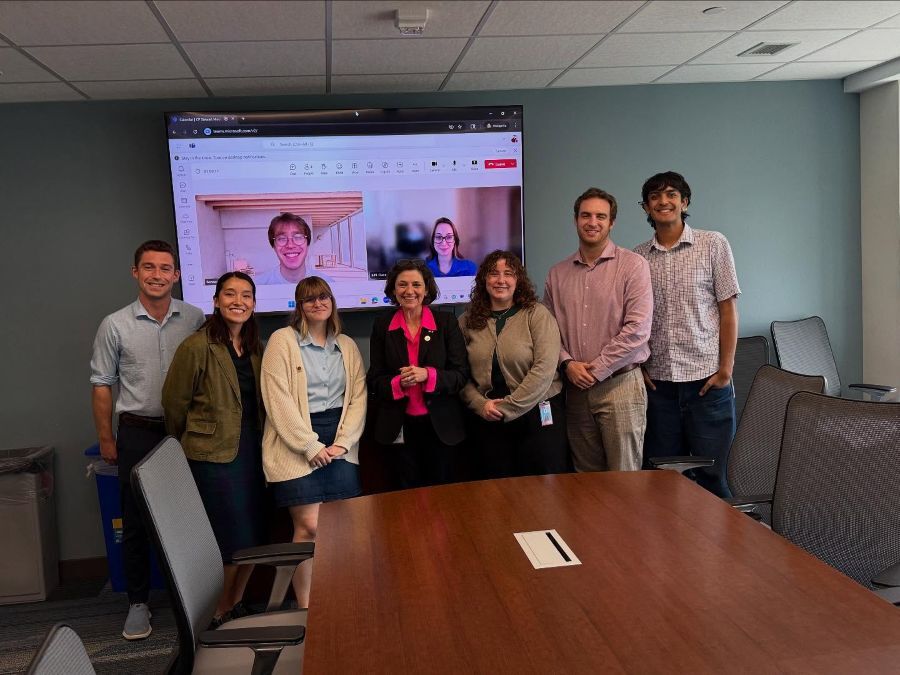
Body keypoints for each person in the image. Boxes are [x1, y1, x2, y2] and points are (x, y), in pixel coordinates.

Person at [90, 240, 205, 640]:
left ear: (176, 274)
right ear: (135, 272)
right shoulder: (115, 324)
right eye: (149, 267)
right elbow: (102, 385)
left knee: (189, 518)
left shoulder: (195, 318)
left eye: (165, 268)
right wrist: (107, 439)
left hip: (185, 432)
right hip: (137, 432)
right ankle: (137, 603)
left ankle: (194, 598)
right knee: (136, 522)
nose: (158, 275)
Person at [162, 271, 268, 627]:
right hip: (213, 459)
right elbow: (174, 404)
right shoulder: (196, 345)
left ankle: (235, 603)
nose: (238, 301)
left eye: (246, 295)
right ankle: (219, 611)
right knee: (229, 539)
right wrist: (191, 444)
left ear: (254, 303)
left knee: (253, 535)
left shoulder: (254, 345)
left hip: (251, 452)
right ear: (216, 300)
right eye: (230, 294)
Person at [260, 277, 367, 608]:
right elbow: (277, 402)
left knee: (343, 531)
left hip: (338, 441)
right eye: (309, 299)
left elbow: (358, 398)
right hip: (298, 444)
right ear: (299, 306)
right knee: (307, 527)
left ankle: (341, 599)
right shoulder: (282, 341)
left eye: (323, 297)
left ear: (332, 301)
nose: (318, 303)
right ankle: (308, 607)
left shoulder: (346, 345)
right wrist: (310, 446)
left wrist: (344, 442)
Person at [634, 171, 740, 498]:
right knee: (663, 485)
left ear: (684, 201)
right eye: (654, 197)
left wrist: (726, 370)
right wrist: (638, 366)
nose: (663, 201)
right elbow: (632, 322)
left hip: (706, 385)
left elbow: (728, 310)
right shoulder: (637, 258)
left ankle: (719, 549)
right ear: (646, 208)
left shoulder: (713, 244)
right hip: (659, 388)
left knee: (713, 480)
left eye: (670, 195)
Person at [544, 188, 653, 474]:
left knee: (624, 480)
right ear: (576, 219)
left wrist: (597, 369)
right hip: (576, 390)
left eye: (600, 216)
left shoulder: (633, 266)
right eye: (586, 215)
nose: (592, 222)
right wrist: (567, 364)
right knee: (585, 483)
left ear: (611, 222)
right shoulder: (557, 274)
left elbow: (638, 330)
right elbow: (547, 331)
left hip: (621, 387)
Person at [460, 250, 569, 478]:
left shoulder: (537, 314)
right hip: (488, 416)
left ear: (518, 280)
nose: (501, 280)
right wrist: (481, 405)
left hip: (537, 411)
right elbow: (459, 374)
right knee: (496, 491)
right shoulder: (467, 321)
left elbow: (545, 369)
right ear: (483, 280)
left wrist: (508, 407)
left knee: (543, 489)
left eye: (508, 274)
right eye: (494, 274)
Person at [368, 260, 469, 488]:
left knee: (442, 496)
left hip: (441, 427)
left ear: (426, 289)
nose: (409, 291)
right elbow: (374, 378)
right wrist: (397, 383)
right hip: (398, 427)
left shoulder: (446, 322)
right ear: (393, 290)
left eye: (416, 284)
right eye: (402, 285)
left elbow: (461, 374)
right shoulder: (382, 325)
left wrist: (428, 375)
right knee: (405, 497)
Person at [254, 213, 313, 285]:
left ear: (307, 243)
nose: (290, 245)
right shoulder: (258, 286)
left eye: (298, 237)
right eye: (282, 239)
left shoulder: (327, 285)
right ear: (274, 246)